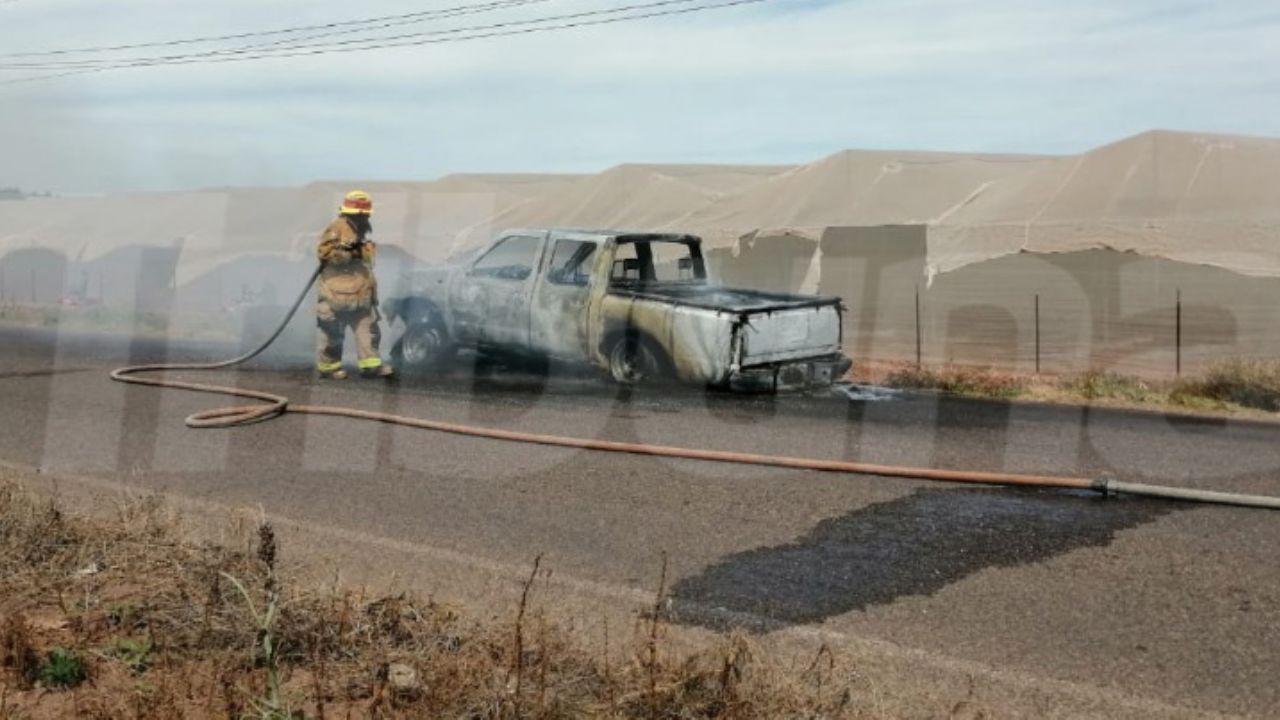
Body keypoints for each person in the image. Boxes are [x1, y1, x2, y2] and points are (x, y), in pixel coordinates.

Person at [315, 190, 393, 379]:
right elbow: (324, 254)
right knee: (332, 333)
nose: (367, 217)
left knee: (368, 330)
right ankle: (329, 368)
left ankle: (371, 366)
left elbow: (367, 258)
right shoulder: (337, 227)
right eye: (364, 214)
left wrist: (362, 251)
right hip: (336, 293)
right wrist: (347, 253)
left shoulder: (359, 229)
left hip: (360, 292)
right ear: (357, 213)